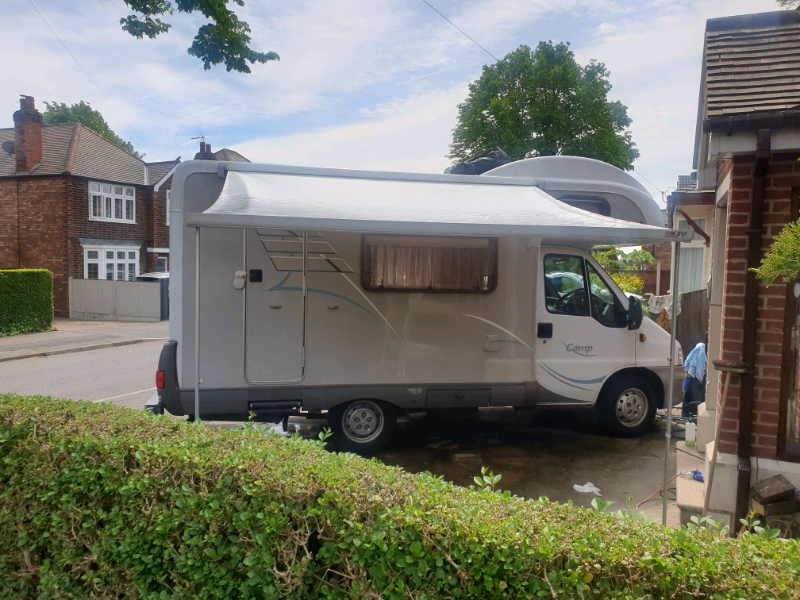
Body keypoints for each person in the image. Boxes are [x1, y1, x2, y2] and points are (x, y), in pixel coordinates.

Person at [682, 341, 707, 418]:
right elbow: (700, 370)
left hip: (691, 380)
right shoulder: (701, 353)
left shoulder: (690, 364)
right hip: (695, 383)